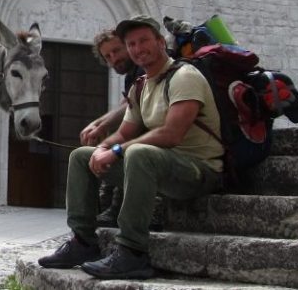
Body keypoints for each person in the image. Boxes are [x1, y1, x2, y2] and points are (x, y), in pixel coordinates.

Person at [38, 15, 224, 280]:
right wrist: (102, 147)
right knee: (81, 156)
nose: (138, 49)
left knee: (137, 152)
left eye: (144, 41)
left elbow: (171, 134)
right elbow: (124, 132)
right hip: (160, 169)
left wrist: (115, 151)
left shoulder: (185, 76)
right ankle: (83, 243)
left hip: (198, 171)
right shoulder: (140, 86)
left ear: (161, 42)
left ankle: (132, 252)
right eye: (132, 44)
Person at [79, 29, 141, 226]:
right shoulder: (131, 74)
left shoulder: (143, 70)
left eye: (117, 50)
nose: (114, 58)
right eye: (108, 56)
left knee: (121, 147)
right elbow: (128, 103)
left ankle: (115, 209)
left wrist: (101, 125)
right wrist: (97, 124)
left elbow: (133, 103)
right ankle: (100, 212)